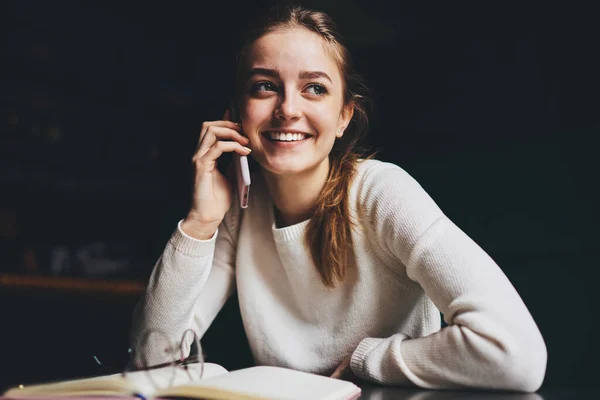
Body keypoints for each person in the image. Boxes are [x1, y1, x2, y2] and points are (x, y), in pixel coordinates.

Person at [131, 5, 547, 392]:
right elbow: (151, 362)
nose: (288, 109)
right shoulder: (239, 209)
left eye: (314, 88)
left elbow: (516, 354)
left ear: (344, 115)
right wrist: (200, 224)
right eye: (265, 87)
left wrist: (369, 360)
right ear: (236, 113)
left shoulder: (382, 193)